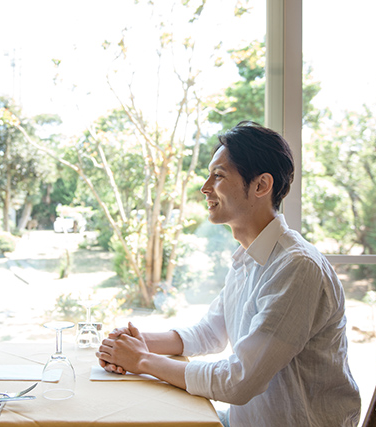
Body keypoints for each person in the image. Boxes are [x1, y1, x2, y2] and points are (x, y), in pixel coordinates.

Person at [96, 121, 361, 427]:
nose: (205, 187)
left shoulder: (296, 268)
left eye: (218, 176)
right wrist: (132, 343)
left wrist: (142, 360)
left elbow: (239, 381)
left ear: (261, 185)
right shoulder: (250, 257)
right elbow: (209, 332)